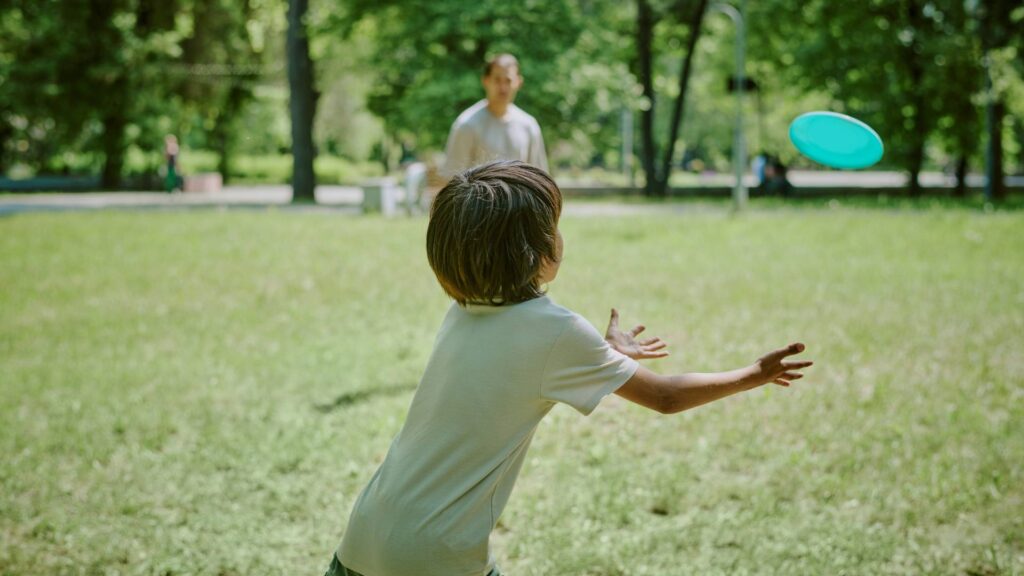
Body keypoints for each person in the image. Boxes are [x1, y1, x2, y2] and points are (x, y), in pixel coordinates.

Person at [325, 161, 813, 576]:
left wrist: (602, 353)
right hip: (435, 555)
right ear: (536, 251)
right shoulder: (555, 332)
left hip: (365, 535)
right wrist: (754, 373)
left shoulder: (466, 309)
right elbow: (665, 397)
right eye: (554, 225)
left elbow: (522, 363)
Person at [442, 54, 548, 179]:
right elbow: (451, 180)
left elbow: (540, 179)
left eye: (508, 81)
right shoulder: (467, 124)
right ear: (485, 81)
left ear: (518, 82)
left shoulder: (529, 125)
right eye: (497, 80)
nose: (502, 88)